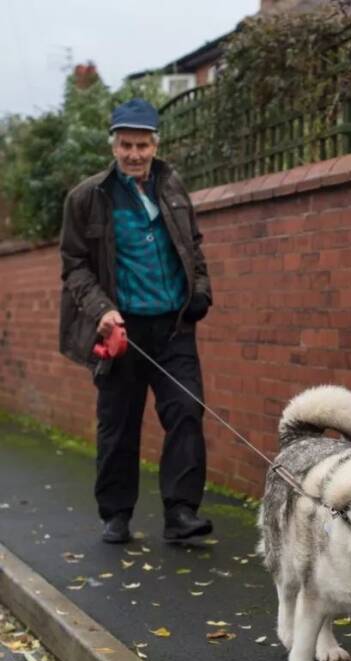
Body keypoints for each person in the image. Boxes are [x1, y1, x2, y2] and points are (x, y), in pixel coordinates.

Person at [59, 98, 213, 544]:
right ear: (113, 144)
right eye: (125, 145)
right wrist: (101, 310)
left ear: (155, 144)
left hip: (172, 327)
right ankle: (116, 513)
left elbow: (193, 246)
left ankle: (181, 513)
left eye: (142, 145)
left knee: (186, 410)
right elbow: (75, 265)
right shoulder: (88, 197)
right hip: (121, 330)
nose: (134, 154)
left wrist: (201, 290)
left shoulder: (172, 185)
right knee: (119, 424)